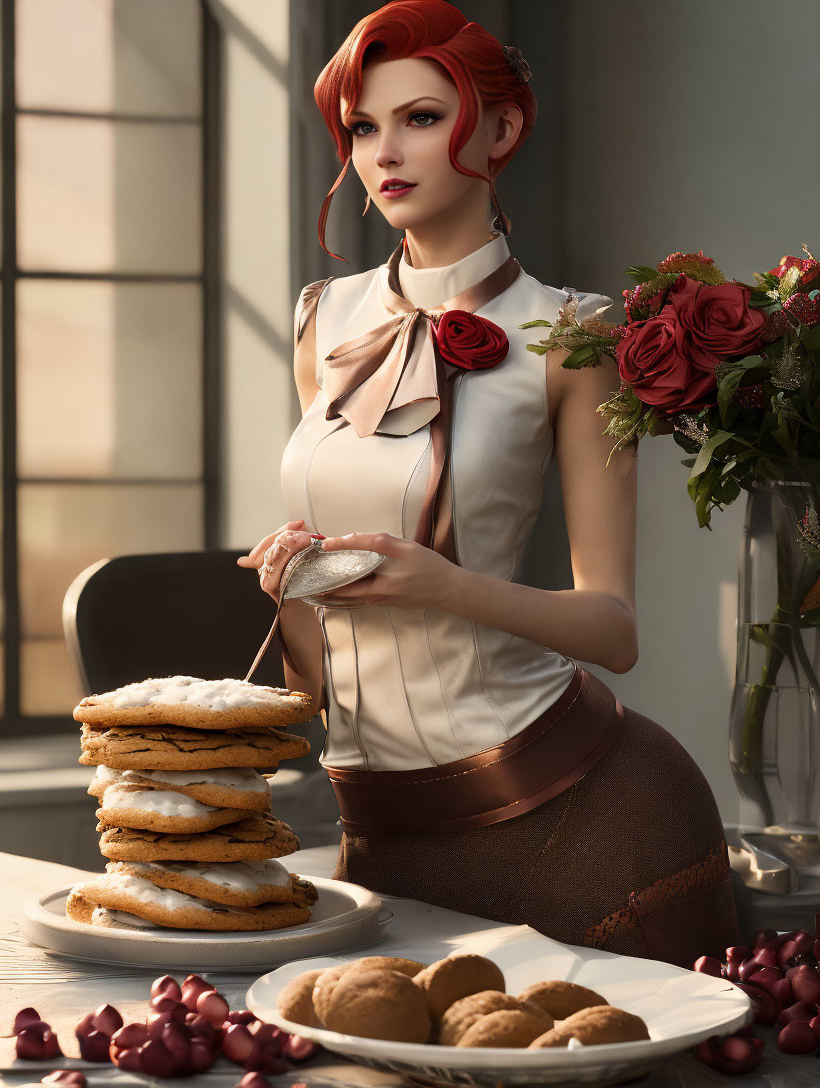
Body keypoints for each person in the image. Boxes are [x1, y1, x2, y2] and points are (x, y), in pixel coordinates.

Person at [238, 0, 740, 967]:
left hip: (583, 813)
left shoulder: (574, 334)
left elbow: (616, 631)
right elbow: (318, 678)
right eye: (363, 126)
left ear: (503, 129)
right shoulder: (321, 318)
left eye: (422, 118)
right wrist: (289, 587)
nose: (386, 152)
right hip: (382, 820)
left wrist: (446, 585)